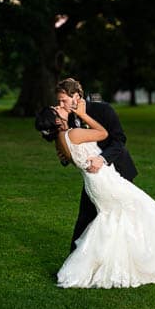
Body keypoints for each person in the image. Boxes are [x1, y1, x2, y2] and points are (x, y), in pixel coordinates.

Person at [34, 99, 155, 289]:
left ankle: (109, 263)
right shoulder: (73, 133)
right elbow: (103, 133)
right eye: (56, 109)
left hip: (97, 182)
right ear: (57, 121)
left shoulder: (60, 140)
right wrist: (83, 115)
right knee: (148, 208)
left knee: (116, 221)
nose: (60, 106)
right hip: (106, 182)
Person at [50, 78, 138, 252]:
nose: (60, 104)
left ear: (76, 96)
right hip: (94, 177)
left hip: (119, 171)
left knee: (123, 217)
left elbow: (119, 140)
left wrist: (102, 159)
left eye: (64, 100)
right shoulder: (66, 117)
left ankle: (127, 255)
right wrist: (66, 156)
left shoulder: (102, 109)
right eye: (58, 101)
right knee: (86, 216)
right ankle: (73, 263)